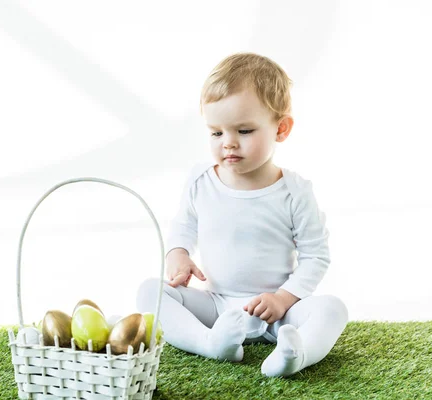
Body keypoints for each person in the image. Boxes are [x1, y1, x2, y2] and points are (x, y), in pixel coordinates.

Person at [136, 52, 348, 377]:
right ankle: (210, 342)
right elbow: (183, 225)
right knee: (150, 291)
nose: (228, 144)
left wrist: (282, 299)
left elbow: (315, 256)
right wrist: (178, 254)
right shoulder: (201, 180)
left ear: (282, 128)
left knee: (333, 309)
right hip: (217, 305)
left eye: (244, 131)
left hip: (279, 311)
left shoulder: (294, 192)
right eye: (216, 132)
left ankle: (295, 354)